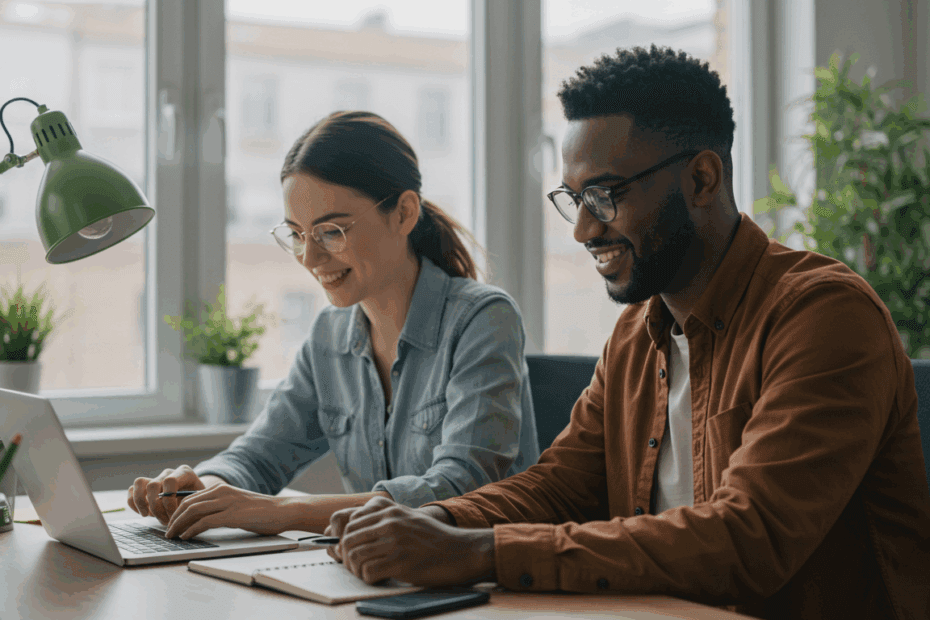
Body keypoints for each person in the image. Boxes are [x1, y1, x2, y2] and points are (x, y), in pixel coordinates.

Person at [323, 46, 930, 619]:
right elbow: (558, 488)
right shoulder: (637, 334)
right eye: (574, 198)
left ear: (701, 180)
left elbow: (749, 539)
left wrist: (479, 552)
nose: (583, 230)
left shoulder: (825, 316)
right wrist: (429, 521)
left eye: (606, 195)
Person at [127, 111, 540, 539]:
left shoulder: (484, 318)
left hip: (482, 584)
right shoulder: (330, 334)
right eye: (296, 234)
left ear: (403, 213)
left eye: (331, 231)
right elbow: (259, 458)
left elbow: (460, 488)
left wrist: (282, 511)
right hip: (378, 575)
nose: (309, 257)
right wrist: (201, 490)